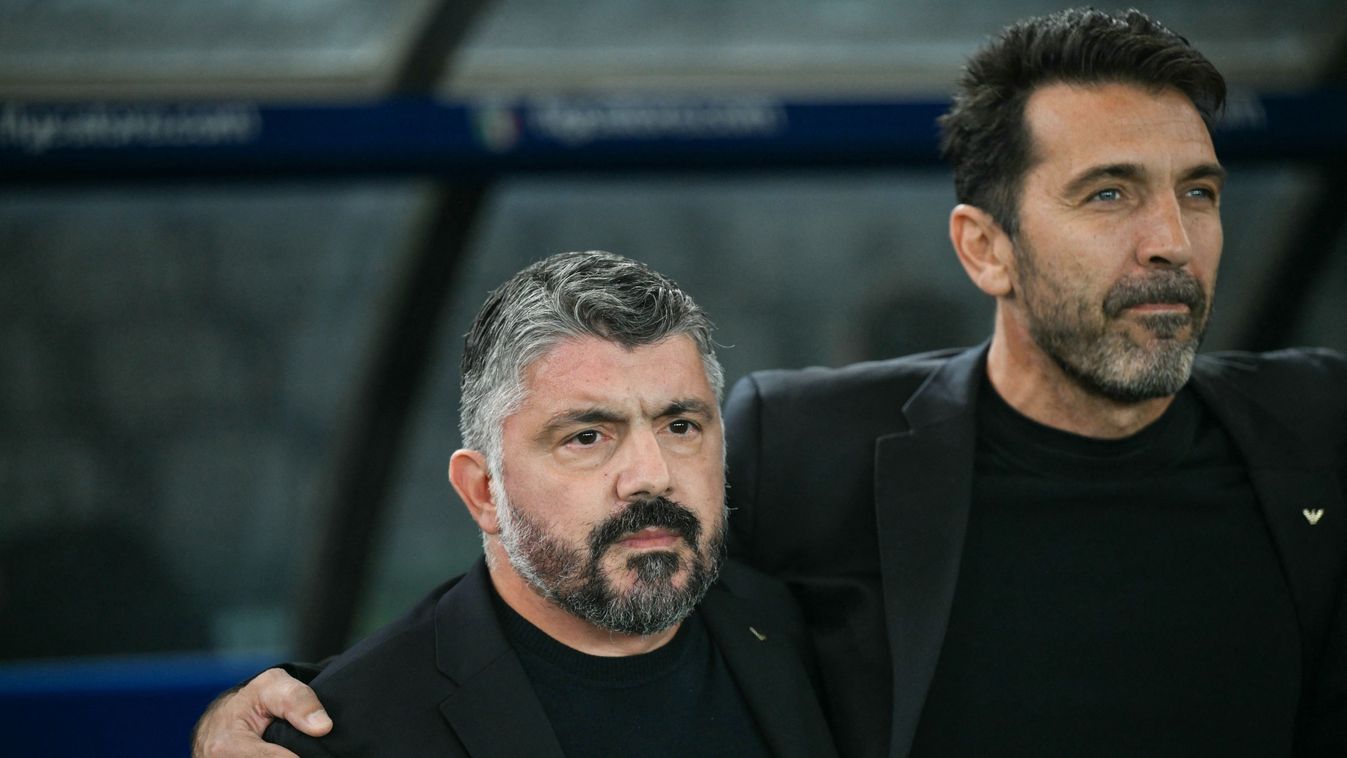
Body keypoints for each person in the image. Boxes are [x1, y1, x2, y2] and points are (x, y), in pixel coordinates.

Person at [196, 8, 1347, 757]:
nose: (1171, 240)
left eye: (1198, 191)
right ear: (983, 247)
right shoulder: (811, 443)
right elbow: (589, 578)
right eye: (1108, 193)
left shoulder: (1317, 423)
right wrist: (303, 712)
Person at [200, 251, 837, 757]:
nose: (652, 476)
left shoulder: (817, 638)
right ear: (483, 491)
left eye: (680, 426)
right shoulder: (348, 733)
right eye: (587, 436)